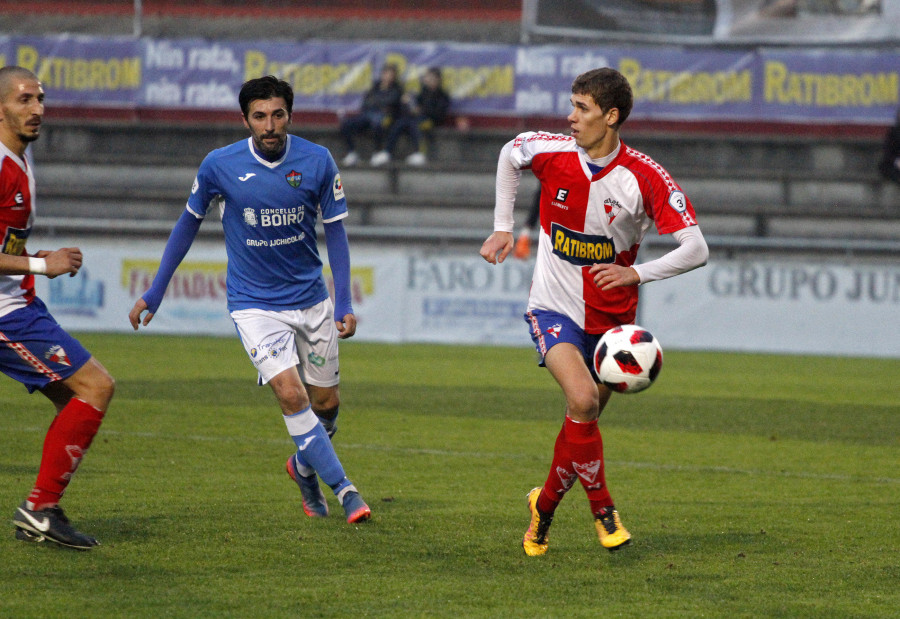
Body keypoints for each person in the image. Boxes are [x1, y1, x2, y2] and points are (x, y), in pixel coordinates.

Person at [479, 67, 709, 556]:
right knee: (583, 401)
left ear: (611, 116)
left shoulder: (644, 176)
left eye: (581, 108)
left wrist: (637, 273)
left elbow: (696, 248)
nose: (571, 117)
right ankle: (603, 510)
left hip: (613, 323)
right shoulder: (551, 151)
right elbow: (508, 154)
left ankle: (542, 509)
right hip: (552, 307)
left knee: (579, 421)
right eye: (572, 105)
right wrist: (502, 226)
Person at [128, 75, 371, 524]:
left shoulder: (317, 161)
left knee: (327, 405)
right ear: (246, 120)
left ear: (289, 116)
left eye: (278, 114)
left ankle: (302, 467)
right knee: (290, 394)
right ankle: (345, 490)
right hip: (254, 304)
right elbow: (187, 225)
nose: (270, 124)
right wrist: (155, 290)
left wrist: (344, 303)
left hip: (311, 300)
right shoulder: (219, 165)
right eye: (260, 116)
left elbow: (336, 232)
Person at [0, 66, 115, 550]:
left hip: (20, 300)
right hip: (5, 314)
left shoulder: (20, 161)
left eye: (41, 99)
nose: (38, 110)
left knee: (76, 400)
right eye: (25, 99)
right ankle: (40, 507)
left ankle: (44, 505)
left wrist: (34, 259)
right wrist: (41, 267)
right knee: (96, 386)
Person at [370, 66, 451, 167]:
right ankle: (387, 152)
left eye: (430, 78)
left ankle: (420, 153)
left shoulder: (442, 95)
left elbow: (438, 114)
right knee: (400, 122)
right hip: (418, 117)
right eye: (427, 78)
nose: (427, 80)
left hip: (431, 120)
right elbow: (416, 105)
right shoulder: (423, 92)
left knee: (417, 124)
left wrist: (422, 111)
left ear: (437, 79)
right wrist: (408, 103)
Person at [339, 63, 403, 167]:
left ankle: (377, 152)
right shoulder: (375, 86)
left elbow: (391, 101)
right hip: (368, 114)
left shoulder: (397, 89)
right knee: (346, 124)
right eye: (386, 73)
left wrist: (377, 102)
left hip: (384, 116)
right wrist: (378, 102)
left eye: (391, 74)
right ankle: (352, 153)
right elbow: (366, 102)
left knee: (377, 124)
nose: (388, 77)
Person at [878, 107, 900, 186]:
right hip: (893, 163)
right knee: (886, 169)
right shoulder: (893, 132)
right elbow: (888, 151)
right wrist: (896, 161)